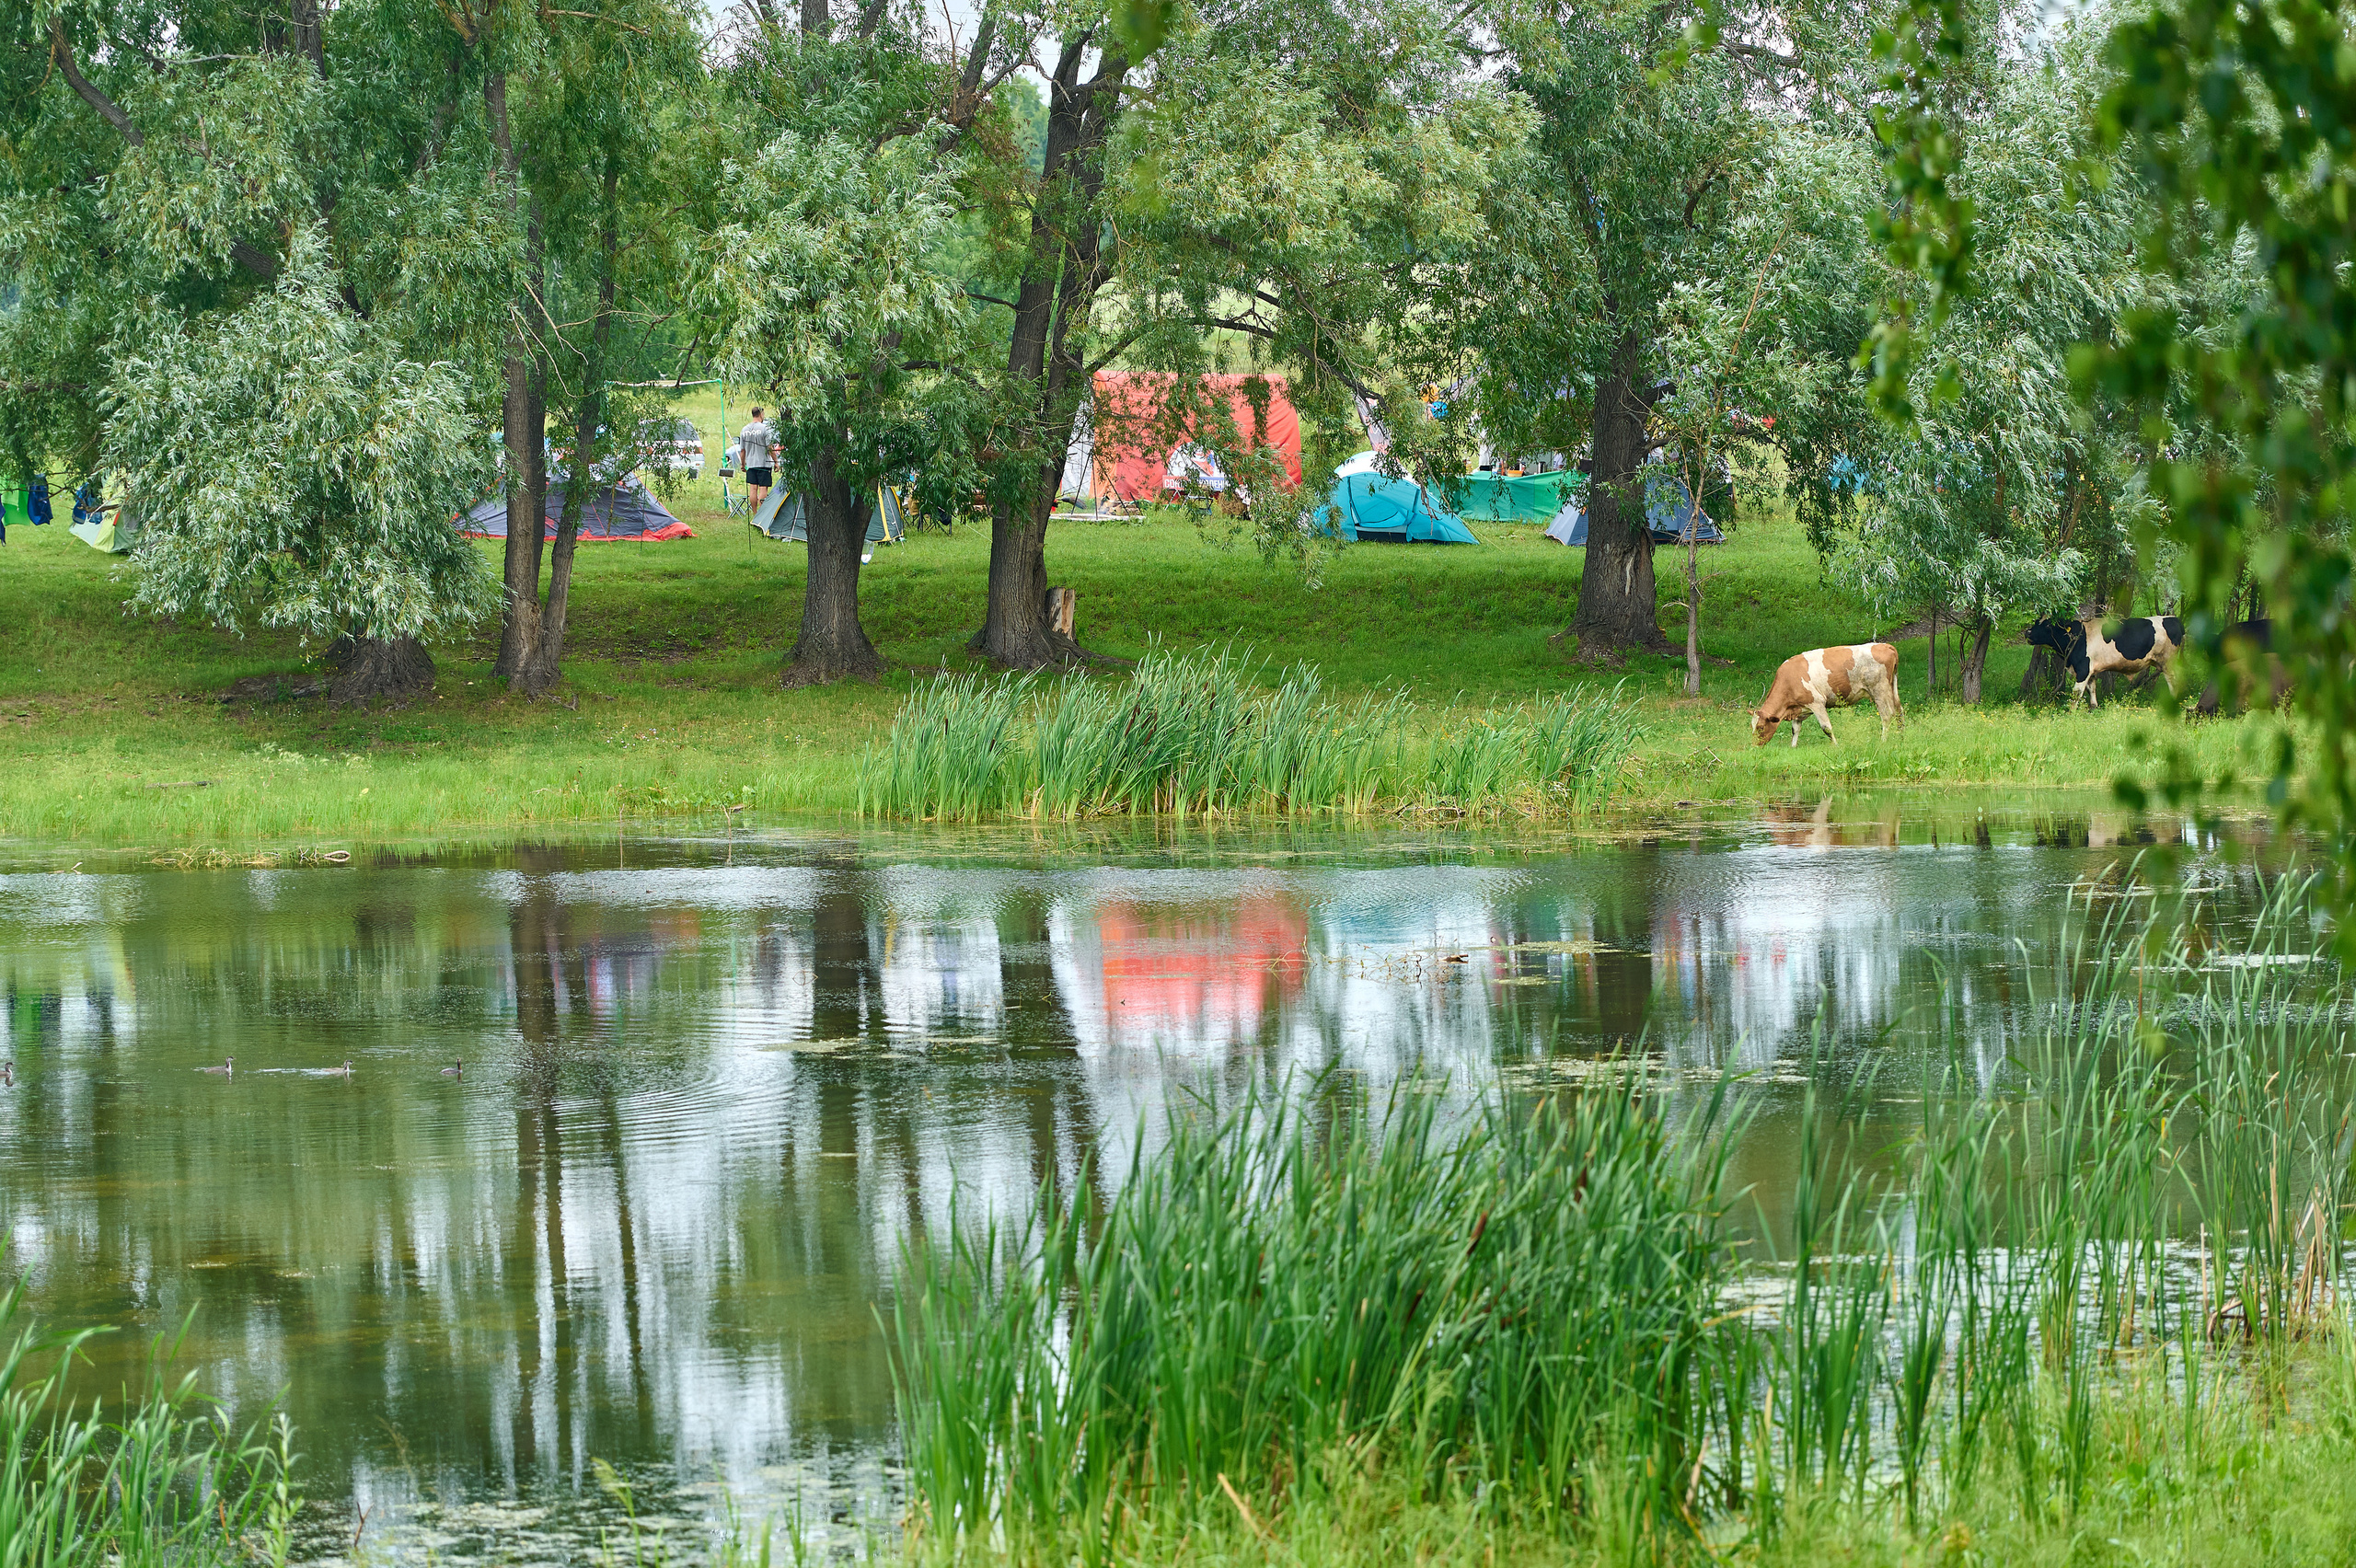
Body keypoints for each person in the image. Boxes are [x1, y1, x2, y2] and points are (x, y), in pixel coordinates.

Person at [737, 408, 775, 511]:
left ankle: (754, 513)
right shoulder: (765, 428)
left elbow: (742, 450)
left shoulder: (744, 430)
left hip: (750, 464)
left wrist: (742, 464)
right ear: (761, 414)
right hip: (764, 463)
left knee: (753, 489)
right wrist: (776, 462)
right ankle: (762, 513)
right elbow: (770, 447)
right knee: (763, 488)